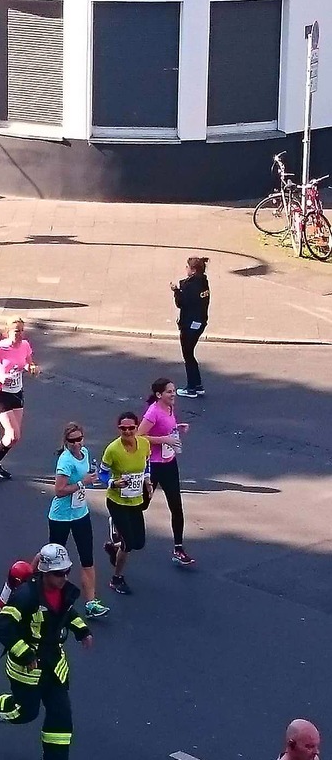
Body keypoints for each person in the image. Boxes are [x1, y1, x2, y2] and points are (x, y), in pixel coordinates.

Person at [0, 543, 92, 760]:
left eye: (66, 571)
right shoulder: (25, 596)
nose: (64, 577)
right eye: (58, 573)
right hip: (28, 669)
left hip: (55, 665)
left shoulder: (64, 592)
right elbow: (2, 626)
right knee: (25, 713)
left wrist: (82, 631)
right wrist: (25, 654)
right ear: (45, 573)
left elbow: (67, 614)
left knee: (61, 714)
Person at [48, 421, 109, 620]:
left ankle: (91, 603)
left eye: (79, 439)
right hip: (61, 517)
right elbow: (59, 490)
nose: (76, 444)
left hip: (80, 514)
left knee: (87, 559)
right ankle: (36, 586)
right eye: (72, 441)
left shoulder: (85, 453)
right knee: (54, 560)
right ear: (66, 442)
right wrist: (82, 483)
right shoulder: (65, 461)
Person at [137, 379, 195, 567]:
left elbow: (167, 428)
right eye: (169, 392)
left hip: (169, 463)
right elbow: (139, 436)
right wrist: (164, 439)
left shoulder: (169, 408)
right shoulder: (153, 411)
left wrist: (177, 429)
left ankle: (178, 548)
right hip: (153, 465)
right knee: (143, 504)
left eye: (173, 391)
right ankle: (120, 524)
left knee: (176, 506)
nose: (173, 394)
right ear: (159, 395)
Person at [0, 317, 40, 482]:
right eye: (16, 331)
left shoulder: (25, 345)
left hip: (17, 392)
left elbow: (28, 363)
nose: (19, 334)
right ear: (7, 332)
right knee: (12, 435)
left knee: (16, 437)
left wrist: (32, 368)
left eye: (21, 330)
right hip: (0, 393)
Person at [99, 412, 152, 595]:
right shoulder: (113, 449)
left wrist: (147, 480)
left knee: (139, 543)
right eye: (123, 428)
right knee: (129, 543)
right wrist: (113, 483)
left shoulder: (144, 443)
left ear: (137, 428)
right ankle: (116, 579)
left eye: (131, 428)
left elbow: (146, 463)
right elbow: (102, 473)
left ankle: (114, 547)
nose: (128, 432)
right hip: (117, 501)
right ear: (118, 429)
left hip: (136, 500)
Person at [170, 255, 210, 398]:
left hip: (189, 324)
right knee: (190, 354)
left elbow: (181, 303)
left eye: (187, 267)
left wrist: (176, 291)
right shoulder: (203, 282)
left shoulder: (190, 285)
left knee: (188, 355)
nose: (185, 269)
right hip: (201, 322)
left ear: (193, 270)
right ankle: (197, 385)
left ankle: (191, 388)